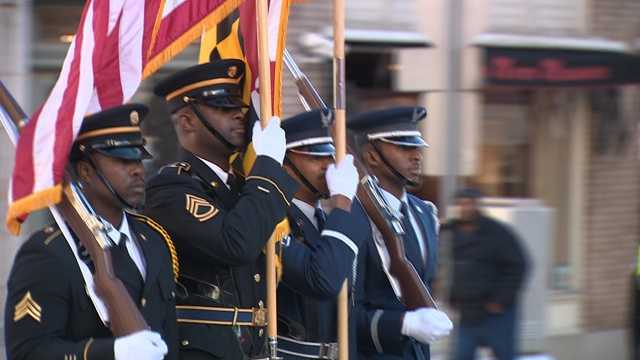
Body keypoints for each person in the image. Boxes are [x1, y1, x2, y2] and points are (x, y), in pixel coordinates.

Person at [145, 58, 298, 359]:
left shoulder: (243, 187)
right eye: (223, 109)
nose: (240, 115)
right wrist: (266, 166)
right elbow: (235, 242)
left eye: (238, 107)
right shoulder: (171, 189)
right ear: (187, 121)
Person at [4, 104, 178, 360]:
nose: (138, 169)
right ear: (86, 171)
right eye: (123, 160)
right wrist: (111, 352)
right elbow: (28, 352)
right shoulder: (49, 252)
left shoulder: (154, 241)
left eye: (139, 158)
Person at [347, 106, 453, 359]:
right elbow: (345, 314)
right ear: (372, 156)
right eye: (405, 147)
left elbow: (425, 285)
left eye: (417, 147)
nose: (417, 155)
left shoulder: (425, 213)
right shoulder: (352, 216)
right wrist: (404, 324)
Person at [276, 109, 368, 359]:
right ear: (285, 164)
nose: (329, 165)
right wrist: (341, 203)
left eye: (330, 155)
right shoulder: (276, 222)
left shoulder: (328, 222)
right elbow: (322, 279)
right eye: (315, 157)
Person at [444, 188, 529, 360]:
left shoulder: (498, 233)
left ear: (477, 206)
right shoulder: (451, 231)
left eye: (469, 203)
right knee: (462, 355)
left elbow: (518, 265)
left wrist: (500, 300)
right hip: (468, 312)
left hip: (496, 314)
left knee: (504, 356)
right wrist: (452, 297)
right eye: (461, 204)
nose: (465, 208)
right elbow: (450, 267)